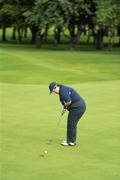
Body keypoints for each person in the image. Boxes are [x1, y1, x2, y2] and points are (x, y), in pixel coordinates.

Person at [49, 82, 86, 146]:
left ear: (56, 86)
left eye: (54, 90)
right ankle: (71, 141)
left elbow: (68, 101)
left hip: (77, 108)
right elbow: (65, 102)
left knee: (71, 124)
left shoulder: (63, 91)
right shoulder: (62, 90)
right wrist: (64, 108)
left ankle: (71, 141)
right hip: (78, 107)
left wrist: (65, 107)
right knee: (72, 124)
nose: (54, 92)